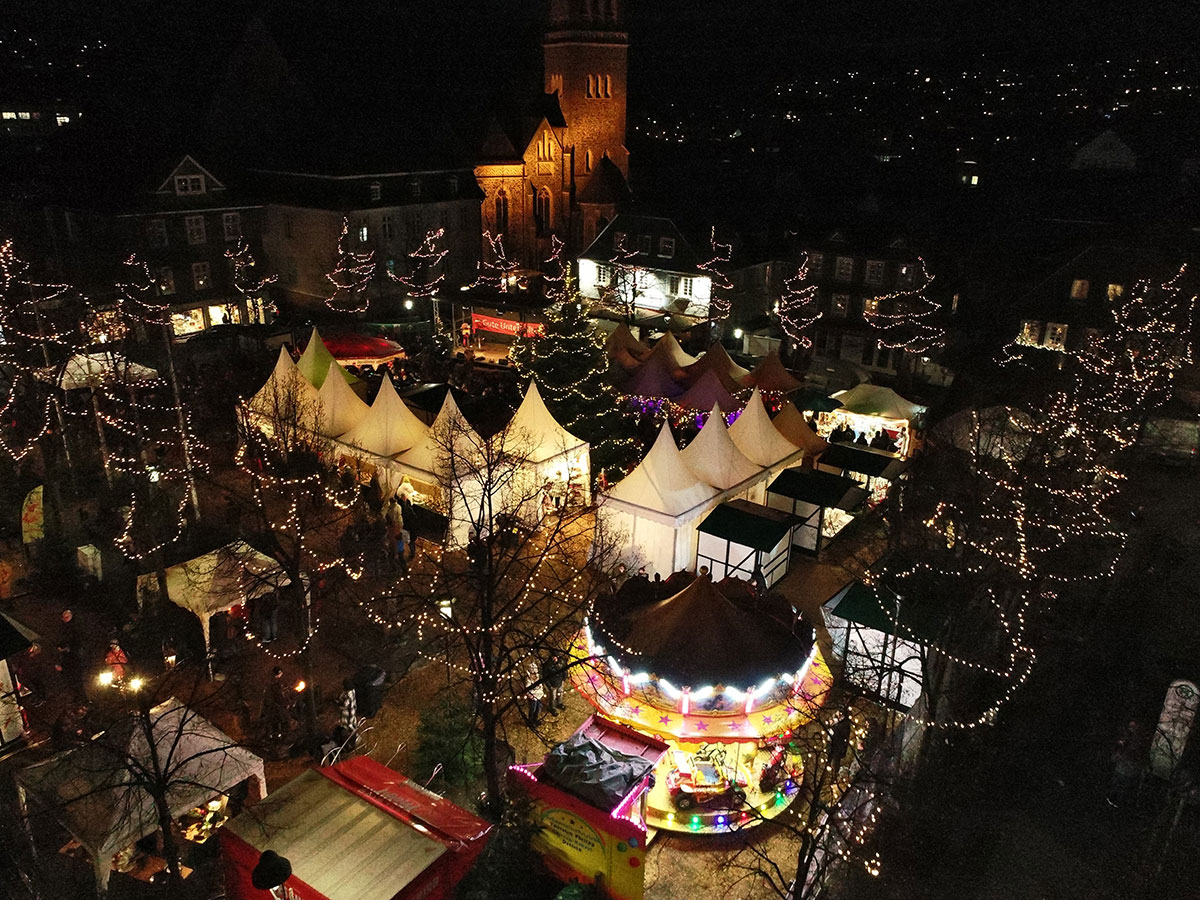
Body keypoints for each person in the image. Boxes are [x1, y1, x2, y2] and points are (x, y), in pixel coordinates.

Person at [56, 609, 86, 702]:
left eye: (67, 617)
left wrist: (70, 649)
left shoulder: (75, 628)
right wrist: (60, 646)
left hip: (75, 657)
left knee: (77, 679)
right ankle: (77, 697)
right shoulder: (63, 628)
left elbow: (79, 642)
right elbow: (62, 640)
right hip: (67, 657)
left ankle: (82, 698)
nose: (65, 619)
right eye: (63, 617)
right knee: (70, 680)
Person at [261, 666, 289, 742]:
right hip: (274, 707)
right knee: (277, 721)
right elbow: (278, 696)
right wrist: (284, 702)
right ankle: (276, 737)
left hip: (270, 706)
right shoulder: (275, 683)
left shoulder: (269, 682)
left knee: (273, 722)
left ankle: (273, 736)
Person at [335, 677, 358, 750]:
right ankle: (352, 741)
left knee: (347, 730)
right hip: (352, 714)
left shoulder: (348, 696)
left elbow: (344, 706)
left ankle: (348, 746)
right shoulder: (352, 691)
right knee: (352, 728)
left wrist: (338, 704)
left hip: (347, 717)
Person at [524, 657, 545, 728]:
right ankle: (530, 722)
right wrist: (531, 696)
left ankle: (535, 720)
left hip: (538, 695)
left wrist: (541, 691)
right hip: (533, 697)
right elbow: (527, 689)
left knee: (538, 709)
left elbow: (541, 685)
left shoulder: (538, 677)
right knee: (532, 709)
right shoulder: (528, 679)